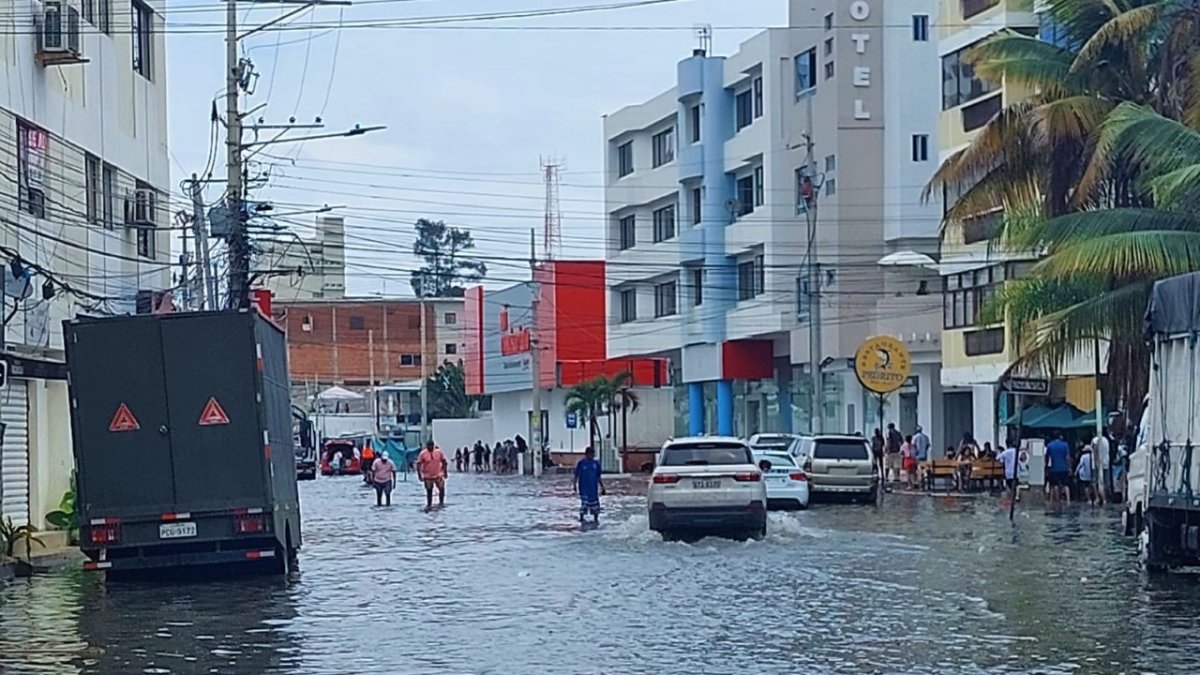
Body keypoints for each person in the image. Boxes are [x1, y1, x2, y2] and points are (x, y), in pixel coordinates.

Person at [573, 446, 606, 525]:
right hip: (584, 489)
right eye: (590, 454)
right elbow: (576, 475)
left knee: (595, 506)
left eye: (593, 454)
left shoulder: (596, 464)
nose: (592, 455)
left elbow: (598, 477)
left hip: (593, 489)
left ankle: (596, 520)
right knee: (584, 504)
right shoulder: (581, 463)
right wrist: (574, 485)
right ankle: (581, 519)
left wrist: (602, 487)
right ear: (587, 454)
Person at [416, 440, 449, 511]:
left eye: (431, 446)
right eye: (428, 446)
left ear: (433, 446)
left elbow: (444, 462)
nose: (430, 447)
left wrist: (445, 472)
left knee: (441, 489)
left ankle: (441, 503)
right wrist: (419, 475)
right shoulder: (423, 454)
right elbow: (418, 464)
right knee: (429, 491)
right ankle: (429, 504)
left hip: (438, 475)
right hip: (427, 476)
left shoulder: (439, 452)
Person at [1045, 432, 1072, 504]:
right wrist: (1069, 467)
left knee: (1055, 485)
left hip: (1054, 468)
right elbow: (1067, 457)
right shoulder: (1065, 445)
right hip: (1064, 467)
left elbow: (1047, 458)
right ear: (1060, 436)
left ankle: (1057, 500)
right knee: (1066, 485)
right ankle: (1068, 500)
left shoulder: (1049, 445)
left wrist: (1047, 468)